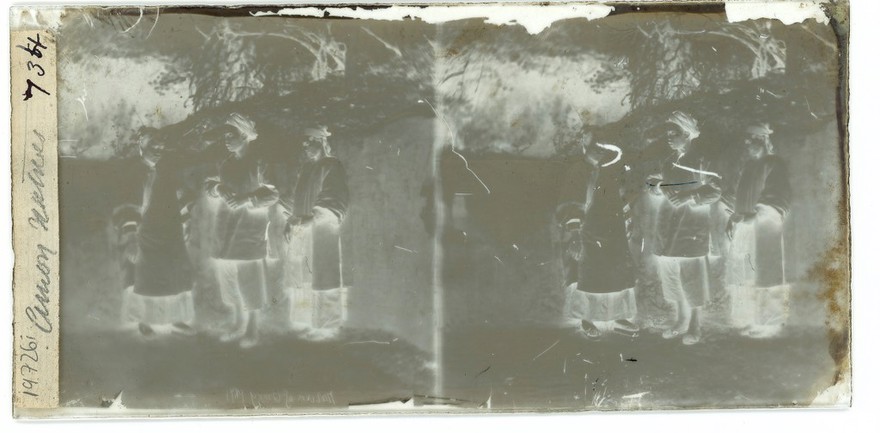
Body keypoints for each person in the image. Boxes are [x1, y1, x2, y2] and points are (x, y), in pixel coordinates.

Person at [646, 111, 721, 345]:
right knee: (670, 274)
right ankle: (680, 319)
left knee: (691, 275)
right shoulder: (668, 160)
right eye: (667, 133)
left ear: (687, 134)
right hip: (667, 224)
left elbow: (717, 189)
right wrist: (659, 185)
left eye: (673, 133)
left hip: (691, 225)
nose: (668, 138)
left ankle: (695, 323)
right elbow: (650, 180)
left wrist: (690, 196)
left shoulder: (703, 159)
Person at [205, 113, 279, 348]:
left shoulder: (260, 161)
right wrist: (218, 188)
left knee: (248, 276)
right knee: (227, 275)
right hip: (225, 226)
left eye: (231, 135)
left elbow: (274, 192)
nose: (226, 140)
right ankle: (237, 322)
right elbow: (208, 184)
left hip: (249, 226)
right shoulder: (226, 163)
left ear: (245, 135)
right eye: (225, 135)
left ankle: (252, 327)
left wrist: (248, 198)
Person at [557, 132, 639, 338]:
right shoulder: (578, 171)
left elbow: (621, 197)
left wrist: (627, 219)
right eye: (596, 146)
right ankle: (587, 319)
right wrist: (575, 235)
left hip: (613, 230)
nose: (600, 151)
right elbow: (571, 203)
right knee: (590, 273)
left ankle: (618, 316)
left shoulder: (610, 169)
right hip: (589, 231)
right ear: (586, 144)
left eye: (604, 147)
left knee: (616, 270)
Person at [120, 127, 196, 337]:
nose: (158, 151)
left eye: (161, 147)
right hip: (148, 234)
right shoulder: (136, 173)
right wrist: (131, 237)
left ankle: (176, 319)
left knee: (175, 275)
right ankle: (145, 320)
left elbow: (177, 197)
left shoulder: (166, 171)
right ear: (141, 147)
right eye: (154, 147)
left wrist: (185, 220)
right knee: (148, 277)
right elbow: (130, 206)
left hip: (171, 233)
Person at [281, 126, 349, 341]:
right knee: (304, 273)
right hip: (302, 229)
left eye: (310, 141)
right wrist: (290, 222)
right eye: (303, 142)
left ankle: (327, 326)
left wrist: (313, 217)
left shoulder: (332, 165)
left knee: (322, 272)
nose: (306, 145)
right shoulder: (306, 168)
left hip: (322, 230)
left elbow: (335, 195)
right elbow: (293, 198)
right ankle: (307, 321)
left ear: (321, 141)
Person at [725, 123, 792, 338]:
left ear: (763, 139)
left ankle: (768, 323)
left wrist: (758, 213)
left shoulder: (774, 163)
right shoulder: (749, 166)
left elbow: (778, 193)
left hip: (764, 226)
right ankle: (749, 319)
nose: (747, 143)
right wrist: (733, 218)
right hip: (744, 225)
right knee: (745, 270)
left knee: (764, 269)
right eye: (745, 139)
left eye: (751, 138)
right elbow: (738, 197)